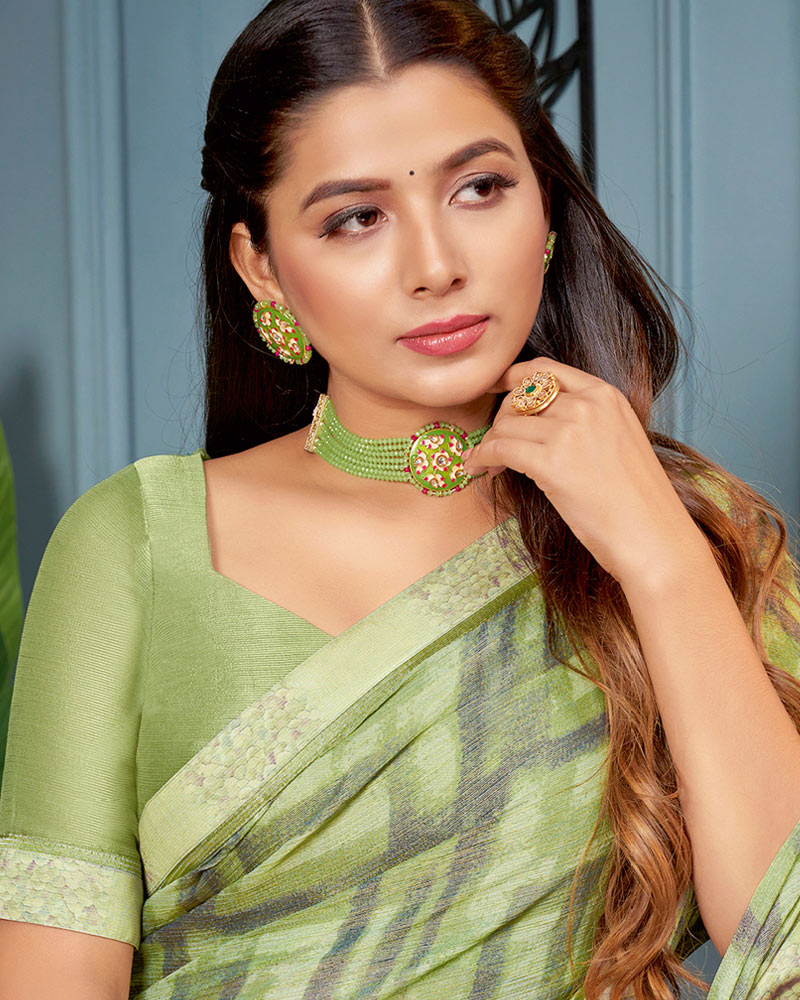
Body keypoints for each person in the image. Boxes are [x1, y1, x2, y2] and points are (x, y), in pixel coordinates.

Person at [1, 0, 800, 997]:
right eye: (355, 217)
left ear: (545, 206)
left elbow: (784, 937)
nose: (436, 267)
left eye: (479, 188)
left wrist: (662, 558)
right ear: (261, 267)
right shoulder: (141, 544)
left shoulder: (687, 529)